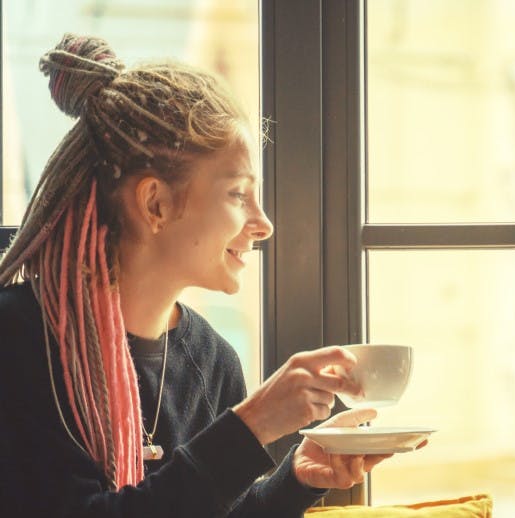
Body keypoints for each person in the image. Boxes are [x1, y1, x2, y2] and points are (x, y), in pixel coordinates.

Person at [0, 34, 403, 517]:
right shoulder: (19, 341)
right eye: (238, 194)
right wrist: (248, 426)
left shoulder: (212, 361)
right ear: (156, 204)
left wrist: (296, 477)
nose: (264, 223)